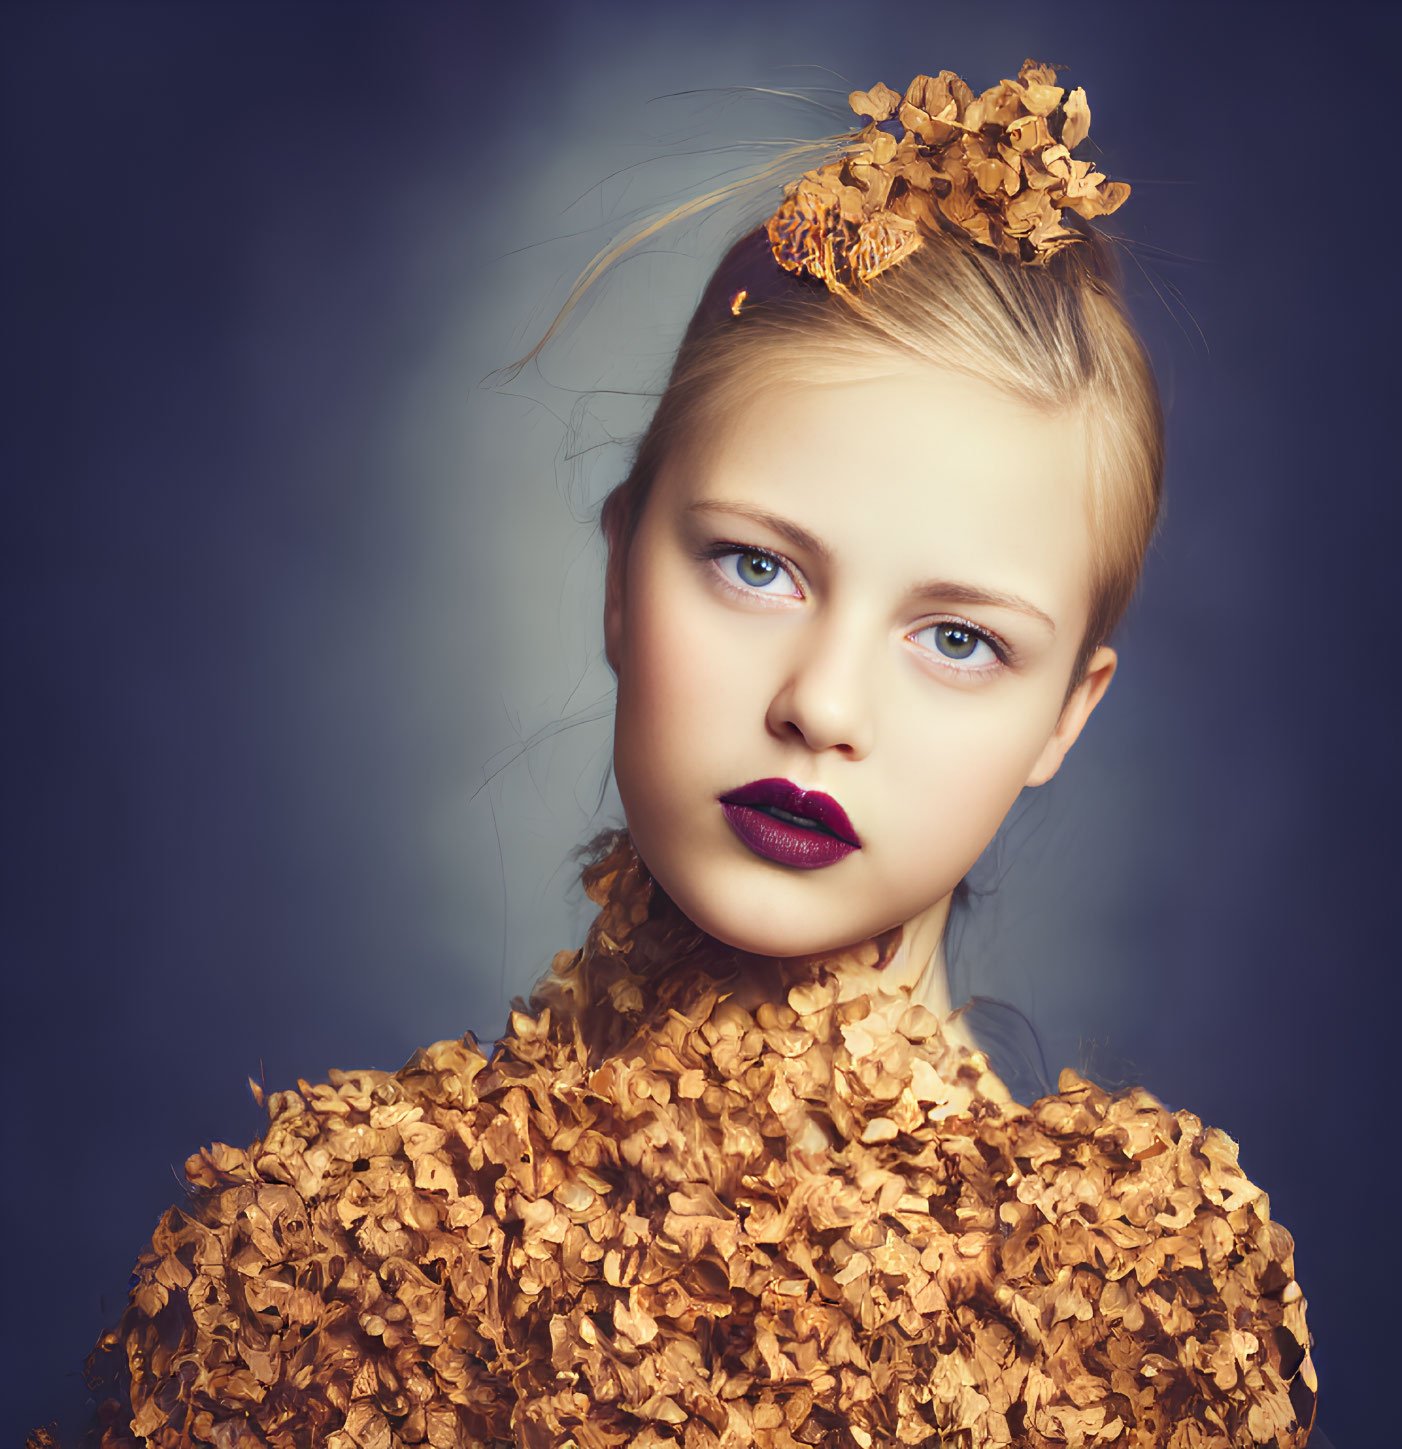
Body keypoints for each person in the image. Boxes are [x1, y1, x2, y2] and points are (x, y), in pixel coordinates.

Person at [79, 63, 1320, 1448]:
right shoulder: (302, 1263)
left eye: (958, 640)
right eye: (753, 565)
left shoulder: (1156, 1305)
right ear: (621, 571)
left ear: (1065, 717)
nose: (821, 703)